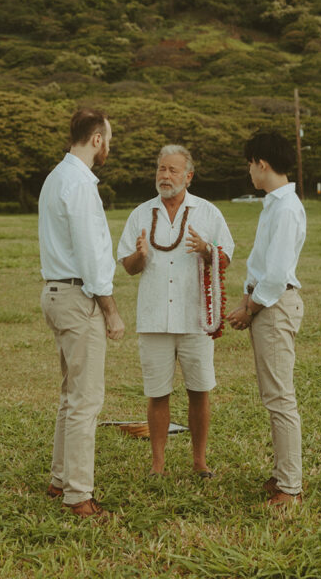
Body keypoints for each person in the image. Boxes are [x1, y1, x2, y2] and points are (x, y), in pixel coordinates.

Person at [117, 144, 234, 477]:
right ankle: (158, 464)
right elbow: (128, 266)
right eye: (160, 169)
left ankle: (199, 461)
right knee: (157, 392)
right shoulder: (140, 213)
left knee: (199, 389)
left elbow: (225, 258)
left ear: (188, 176)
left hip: (195, 317)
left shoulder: (208, 212)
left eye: (172, 170)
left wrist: (206, 249)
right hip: (154, 317)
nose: (164, 176)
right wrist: (140, 255)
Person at [38, 108, 125, 519]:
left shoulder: (56, 177)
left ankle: (60, 480)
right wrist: (110, 310)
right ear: (96, 140)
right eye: (109, 138)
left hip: (55, 293)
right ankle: (78, 495)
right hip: (77, 297)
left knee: (71, 395)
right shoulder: (81, 184)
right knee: (86, 398)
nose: (110, 146)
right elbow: (91, 256)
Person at [227, 130, 306, 508]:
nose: (249, 172)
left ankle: (290, 487)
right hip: (265, 305)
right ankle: (281, 475)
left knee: (279, 398)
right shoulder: (274, 205)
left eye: (250, 164)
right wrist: (246, 300)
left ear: (262, 163)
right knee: (273, 395)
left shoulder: (287, 207)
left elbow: (275, 275)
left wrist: (250, 308)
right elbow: (259, 266)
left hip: (274, 307)